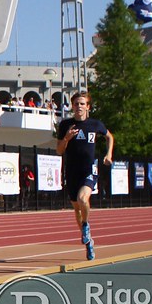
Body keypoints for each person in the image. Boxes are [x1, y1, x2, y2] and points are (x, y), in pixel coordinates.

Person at [56, 91, 114, 261]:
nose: (79, 107)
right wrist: (66, 138)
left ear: (88, 107)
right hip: (72, 170)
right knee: (76, 208)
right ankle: (88, 242)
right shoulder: (66, 125)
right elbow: (59, 150)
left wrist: (108, 154)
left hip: (89, 169)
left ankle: (86, 226)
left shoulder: (95, 124)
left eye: (82, 104)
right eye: (76, 104)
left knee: (83, 200)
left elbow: (109, 136)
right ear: (72, 106)